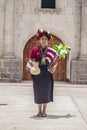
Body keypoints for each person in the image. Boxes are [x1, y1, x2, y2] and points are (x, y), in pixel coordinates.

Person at [28, 29, 60, 117]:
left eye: (45, 39)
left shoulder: (51, 50)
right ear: (39, 40)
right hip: (37, 73)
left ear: (47, 40)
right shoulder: (35, 50)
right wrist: (32, 63)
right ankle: (39, 111)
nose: (44, 40)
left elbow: (55, 61)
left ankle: (44, 111)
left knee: (46, 92)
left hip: (47, 73)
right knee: (38, 92)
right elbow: (30, 59)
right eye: (42, 38)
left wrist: (54, 67)